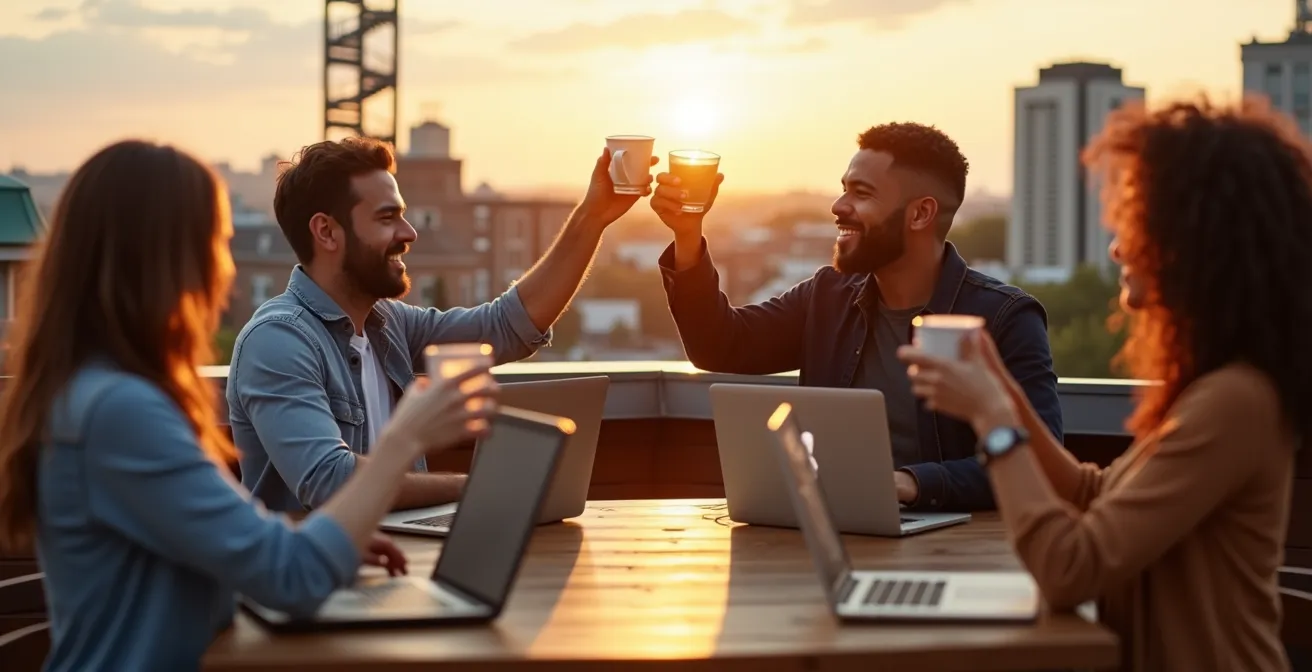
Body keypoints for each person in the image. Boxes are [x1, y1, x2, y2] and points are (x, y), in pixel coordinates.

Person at [0, 140, 500, 671]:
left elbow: (203, 542)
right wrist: (405, 441)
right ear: (167, 258)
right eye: (217, 244)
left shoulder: (96, 392)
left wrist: (305, 534)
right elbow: (293, 579)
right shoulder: (121, 412)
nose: (226, 271)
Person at [898, 99, 1310, 671]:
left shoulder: (1236, 402)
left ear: (1199, 241)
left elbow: (1070, 571)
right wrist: (1004, 391)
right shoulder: (1212, 387)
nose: (1116, 246)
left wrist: (993, 419)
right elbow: (1094, 494)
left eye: (1136, 222)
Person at [228, 138, 654, 513]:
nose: (409, 232)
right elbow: (328, 481)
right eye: (386, 218)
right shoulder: (278, 340)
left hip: (396, 562)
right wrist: (468, 489)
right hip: (317, 586)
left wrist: (593, 217)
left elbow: (508, 326)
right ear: (326, 232)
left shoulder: (387, 325)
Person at [652, 123, 1061, 512]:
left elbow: (1038, 462)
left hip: (959, 552)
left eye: (861, 194)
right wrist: (688, 233)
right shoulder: (828, 297)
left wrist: (908, 484)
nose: (838, 206)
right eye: (843, 189)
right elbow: (720, 345)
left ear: (920, 214)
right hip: (838, 534)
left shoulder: (1006, 318)